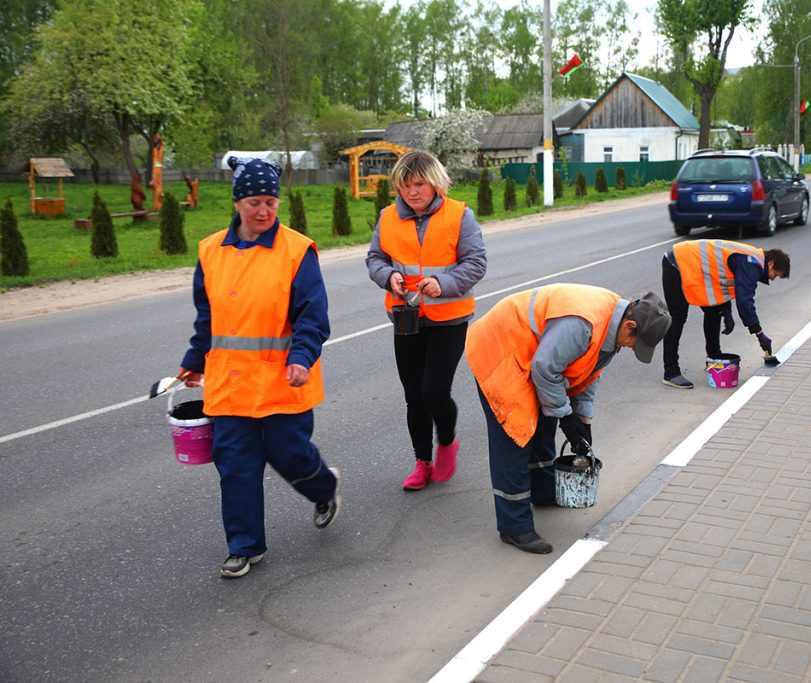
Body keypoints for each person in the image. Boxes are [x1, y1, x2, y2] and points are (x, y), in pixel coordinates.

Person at [176, 156, 340, 579]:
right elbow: (206, 316)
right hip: (229, 384)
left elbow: (312, 317)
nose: (264, 210)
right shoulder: (211, 251)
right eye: (254, 202)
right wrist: (195, 360)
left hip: (283, 378)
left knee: (291, 457)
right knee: (235, 466)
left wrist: (302, 358)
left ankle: (325, 489)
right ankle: (244, 546)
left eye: (270, 201)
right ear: (237, 203)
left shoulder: (297, 251)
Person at [466, 284, 671, 554]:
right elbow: (545, 368)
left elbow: (587, 372)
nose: (633, 349)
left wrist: (583, 420)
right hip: (502, 349)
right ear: (630, 325)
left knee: (545, 421)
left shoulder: (612, 322)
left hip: (536, 356)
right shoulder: (582, 324)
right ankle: (514, 526)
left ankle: (543, 492)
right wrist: (565, 416)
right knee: (516, 436)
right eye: (636, 343)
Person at [365, 150, 486, 491]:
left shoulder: (459, 215)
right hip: (406, 316)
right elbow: (375, 258)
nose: (413, 192)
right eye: (405, 186)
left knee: (435, 391)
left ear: (435, 184)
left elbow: (475, 263)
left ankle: (446, 441)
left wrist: (443, 284)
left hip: (449, 317)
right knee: (413, 395)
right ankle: (422, 462)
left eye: (419, 184)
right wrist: (388, 276)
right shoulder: (388, 217)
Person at [661, 239, 790, 388]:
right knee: (677, 318)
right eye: (776, 274)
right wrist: (759, 333)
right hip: (677, 262)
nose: (773, 278)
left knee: (714, 311)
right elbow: (745, 301)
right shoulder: (751, 263)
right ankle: (670, 372)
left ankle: (714, 358)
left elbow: (722, 279)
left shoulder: (753, 258)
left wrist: (726, 310)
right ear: (771, 264)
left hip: (695, 266)